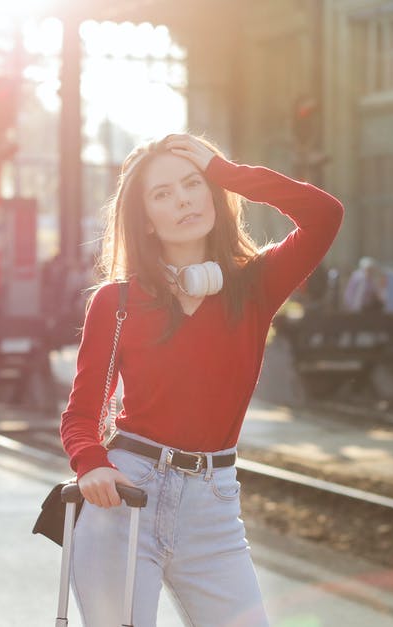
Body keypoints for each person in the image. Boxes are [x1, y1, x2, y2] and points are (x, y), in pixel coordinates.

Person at [60, 133, 343, 626]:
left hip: (213, 506)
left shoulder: (254, 286)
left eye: (193, 184)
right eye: (162, 194)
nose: (184, 199)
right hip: (126, 497)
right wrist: (91, 465)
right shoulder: (117, 302)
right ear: (146, 220)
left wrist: (227, 170)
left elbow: (325, 214)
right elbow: (82, 416)